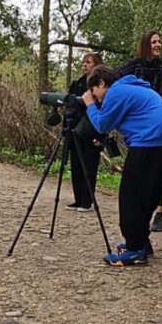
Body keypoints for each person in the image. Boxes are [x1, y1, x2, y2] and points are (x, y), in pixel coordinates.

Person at [82, 65, 162, 266]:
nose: (96, 98)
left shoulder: (116, 91)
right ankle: (141, 241)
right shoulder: (133, 88)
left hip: (149, 141)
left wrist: (89, 105)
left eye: (94, 92)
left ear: (101, 83)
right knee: (147, 194)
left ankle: (135, 249)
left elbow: (102, 125)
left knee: (131, 195)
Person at [119, 31, 162, 233]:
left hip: (159, 125)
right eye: (154, 41)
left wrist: (159, 107)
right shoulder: (133, 66)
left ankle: (158, 211)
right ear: (145, 44)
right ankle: (139, 218)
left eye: (160, 41)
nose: (158, 44)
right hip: (139, 128)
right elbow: (116, 82)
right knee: (140, 173)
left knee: (158, 171)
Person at [65, 52, 106, 211]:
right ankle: (77, 199)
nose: (85, 65)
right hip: (76, 132)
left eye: (88, 62)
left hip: (92, 133)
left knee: (89, 166)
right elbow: (69, 107)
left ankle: (87, 201)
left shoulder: (100, 87)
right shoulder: (77, 84)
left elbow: (105, 112)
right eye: (84, 62)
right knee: (76, 166)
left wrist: (101, 136)